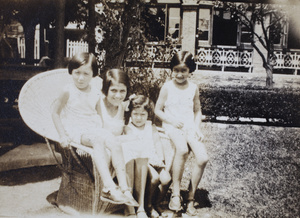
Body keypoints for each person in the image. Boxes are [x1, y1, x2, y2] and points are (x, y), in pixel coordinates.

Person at [51, 52, 138, 207]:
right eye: (77, 73)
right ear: (71, 71)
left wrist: (109, 130)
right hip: (76, 130)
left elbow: (99, 112)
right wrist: (62, 135)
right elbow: (55, 112)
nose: (81, 78)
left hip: (93, 127)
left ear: (93, 74)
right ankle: (108, 186)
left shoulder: (95, 90)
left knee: (114, 143)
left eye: (86, 73)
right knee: (98, 141)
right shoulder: (68, 90)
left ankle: (124, 189)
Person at [154, 51, 209, 216]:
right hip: (172, 126)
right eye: (176, 70)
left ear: (190, 70)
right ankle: (176, 194)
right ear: (172, 70)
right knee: (182, 150)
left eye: (183, 70)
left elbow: (197, 111)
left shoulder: (193, 87)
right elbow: (157, 110)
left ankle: (190, 197)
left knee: (202, 158)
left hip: (189, 127)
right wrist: (170, 120)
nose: (179, 74)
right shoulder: (167, 86)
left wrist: (197, 128)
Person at [121, 94, 171, 218]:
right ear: (130, 114)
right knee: (154, 178)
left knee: (166, 179)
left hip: (155, 159)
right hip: (142, 161)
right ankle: (147, 205)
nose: (139, 118)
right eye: (135, 114)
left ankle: (156, 202)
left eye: (142, 115)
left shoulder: (150, 127)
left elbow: (158, 143)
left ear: (148, 115)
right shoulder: (129, 128)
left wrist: (161, 160)